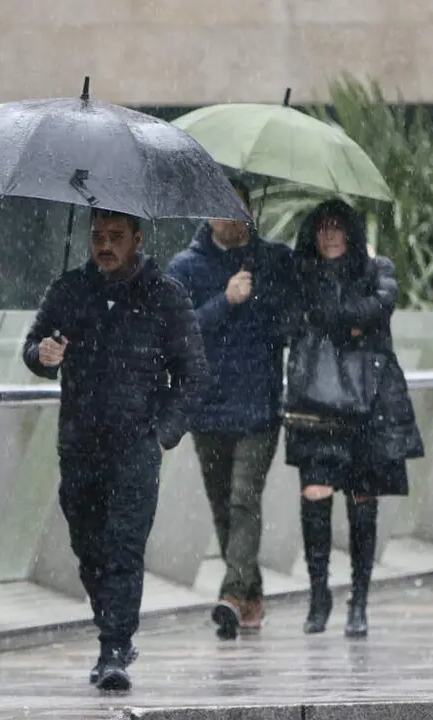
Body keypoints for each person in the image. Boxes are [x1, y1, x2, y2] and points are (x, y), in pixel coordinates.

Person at [22, 208, 208, 691]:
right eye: (98, 236)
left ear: (138, 239)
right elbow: (33, 347)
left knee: (124, 545)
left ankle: (113, 648)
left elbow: (193, 376)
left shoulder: (166, 296)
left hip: (135, 446)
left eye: (116, 237)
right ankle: (115, 630)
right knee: (89, 547)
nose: (105, 245)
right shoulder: (68, 291)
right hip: (80, 442)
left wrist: (161, 432)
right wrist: (42, 354)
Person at [283, 199, 424, 638]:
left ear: (350, 232)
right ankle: (318, 592)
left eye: (337, 227)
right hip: (316, 405)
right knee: (315, 496)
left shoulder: (375, 269)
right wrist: (342, 323)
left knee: (363, 504)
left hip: (370, 407)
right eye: (321, 228)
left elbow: (379, 307)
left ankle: (359, 599)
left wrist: (326, 318)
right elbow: (287, 321)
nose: (329, 236)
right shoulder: (300, 272)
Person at [165, 178, 295, 640]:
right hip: (207, 408)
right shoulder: (185, 267)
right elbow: (177, 334)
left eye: (237, 208)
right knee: (223, 506)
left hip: (258, 405)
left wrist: (265, 297)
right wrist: (226, 299)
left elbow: (291, 318)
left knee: (244, 498)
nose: (230, 218)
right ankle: (251, 597)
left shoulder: (273, 260)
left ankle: (233, 594)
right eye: (220, 209)